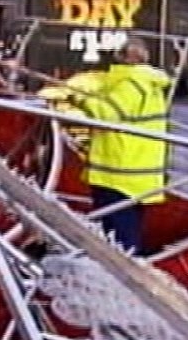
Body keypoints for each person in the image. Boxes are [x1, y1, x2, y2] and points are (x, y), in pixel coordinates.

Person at [67, 38, 172, 255]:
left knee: (119, 236)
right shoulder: (147, 83)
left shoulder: (131, 83)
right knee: (123, 231)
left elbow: (107, 115)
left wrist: (79, 98)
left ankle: (121, 278)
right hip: (134, 172)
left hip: (118, 172)